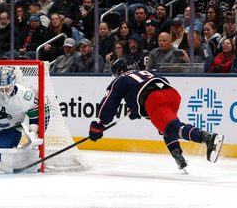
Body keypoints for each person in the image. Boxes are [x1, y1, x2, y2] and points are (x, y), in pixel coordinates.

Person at [88, 59, 224, 171]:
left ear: (118, 72)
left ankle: (206, 137)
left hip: (154, 99)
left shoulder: (119, 80)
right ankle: (178, 157)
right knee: (165, 128)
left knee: (172, 128)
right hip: (172, 94)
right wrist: (138, 110)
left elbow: (109, 104)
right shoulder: (144, 71)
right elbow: (158, 82)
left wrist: (99, 124)